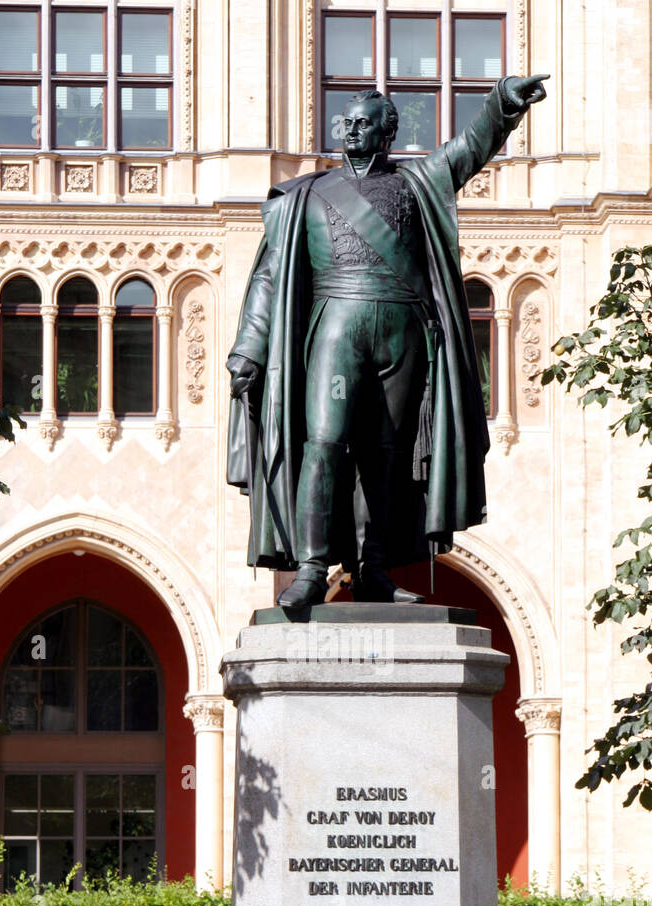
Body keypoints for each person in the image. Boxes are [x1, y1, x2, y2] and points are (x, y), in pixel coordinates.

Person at [227, 74, 548, 609]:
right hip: (336, 321)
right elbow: (269, 276)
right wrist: (250, 347)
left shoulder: (417, 182)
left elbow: (470, 148)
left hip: (403, 330)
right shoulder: (302, 196)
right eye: (345, 123)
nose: (350, 131)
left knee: (387, 455)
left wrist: (503, 103)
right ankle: (310, 568)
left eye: (362, 124)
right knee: (324, 444)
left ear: (387, 133)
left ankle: (371, 566)